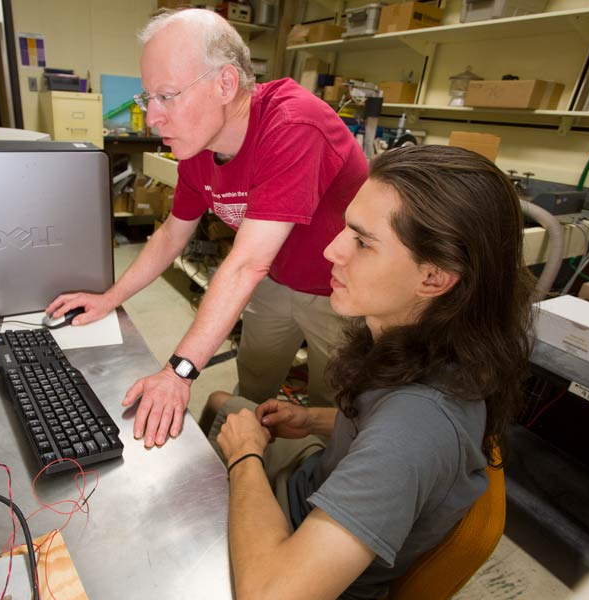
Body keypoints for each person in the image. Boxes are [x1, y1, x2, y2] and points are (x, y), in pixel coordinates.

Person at [206, 145, 535, 599]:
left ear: (435, 278)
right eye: (346, 228)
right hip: (313, 481)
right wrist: (317, 420)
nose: (331, 250)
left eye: (362, 242)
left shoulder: (416, 430)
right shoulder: (427, 346)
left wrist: (246, 459)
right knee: (219, 403)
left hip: (298, 549)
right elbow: (381, 427)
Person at [47, 9, 369, 448]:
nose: (152, 118)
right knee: (254, 385)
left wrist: (179, 371)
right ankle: (245, 454)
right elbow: (169, 236)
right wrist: (109, 298)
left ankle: (306, 485)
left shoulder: (293, 124)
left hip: (340, 290)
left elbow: (246, 263)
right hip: (275, 281)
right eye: (148, 99)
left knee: (326, 407)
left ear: (225, 84)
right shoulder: (199, 143)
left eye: (166, 96)